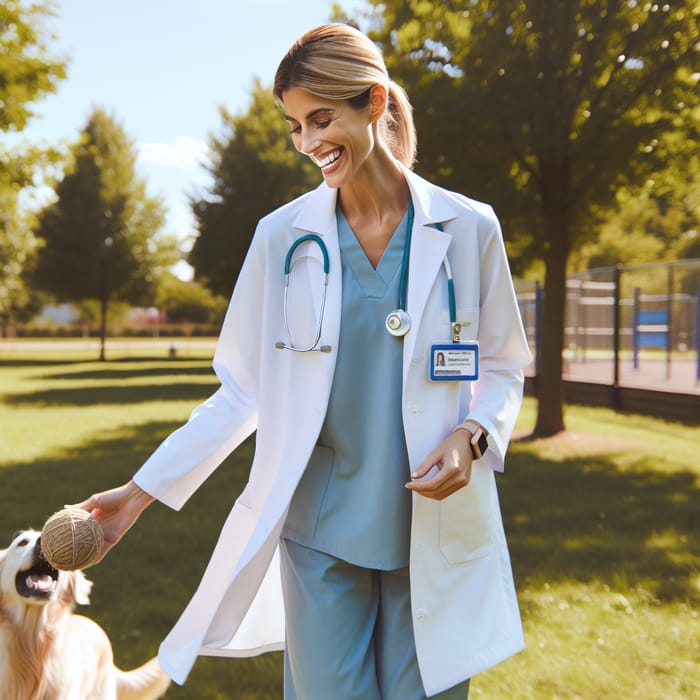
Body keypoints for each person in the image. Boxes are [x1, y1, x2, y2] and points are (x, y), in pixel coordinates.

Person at [73, 23, 531, 699]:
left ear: (374, 103)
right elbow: (239, 394)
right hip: (320, 530)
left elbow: (502, 365)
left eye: (322, 118)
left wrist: (473, 435)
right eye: (294, 125)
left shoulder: (468, 228)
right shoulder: (281, 238)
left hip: (431, 525)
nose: (308, 142)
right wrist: (138, 495)